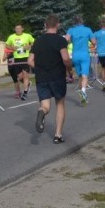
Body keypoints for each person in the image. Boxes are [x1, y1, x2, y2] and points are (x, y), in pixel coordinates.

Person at [29, 14, 73, 144]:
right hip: (57, 77)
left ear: (45, 25)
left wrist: (39, 69)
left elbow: (30, 60)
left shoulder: (38, 41)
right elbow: (65, 59)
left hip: (42, 77)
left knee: (45, 105)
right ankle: (58, 135)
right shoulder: (60, 40)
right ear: (58, 25)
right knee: (60, 103)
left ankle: (41, 112)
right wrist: (70, 69)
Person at [66, 16, 94, 104]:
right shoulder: (88, 29)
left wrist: (72, 40)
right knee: (85, 75)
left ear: (74, 22)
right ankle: (83, 91)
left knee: (80, 76)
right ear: (82, 21)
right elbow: (94, 42)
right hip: (85, 54)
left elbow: (66, 40)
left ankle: (82, 92)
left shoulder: (71, 30)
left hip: (75, 55)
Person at [5, 24, 34, 100]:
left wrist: (30, 46)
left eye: (19, 28)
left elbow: (34, 43)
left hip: (25, 58)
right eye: (16, 28)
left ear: (22, 29)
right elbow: (7, 45)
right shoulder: (11, 37)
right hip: (17, 59)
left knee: (25, 75)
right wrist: (12, 47)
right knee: (19, 76)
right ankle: (28, 84)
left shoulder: (27, 36)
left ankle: (25, 93)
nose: (18, 30)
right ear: (15, 29)